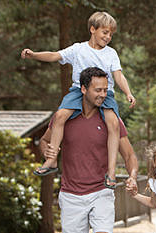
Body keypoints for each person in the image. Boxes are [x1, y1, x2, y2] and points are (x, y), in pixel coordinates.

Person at [38, 67, 138, 233]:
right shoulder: (65, 117)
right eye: (97, 90)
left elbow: (130, 155)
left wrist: (133, 175)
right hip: (71, 192)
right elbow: (43, 141)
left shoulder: (110, 118)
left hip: (101, 189)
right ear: (83, 89)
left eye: (106, 90)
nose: (103, 94)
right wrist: (48, 152)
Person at [22, 11, 136, 189]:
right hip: (78, 91)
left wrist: (128, 92)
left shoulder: (111, 53)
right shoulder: (78, 49)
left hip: (105, 93)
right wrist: (34, 55)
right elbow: (54, 55)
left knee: (113, 125)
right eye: (105, 32)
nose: (108, 37)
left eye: (111, 34)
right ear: (92, 29)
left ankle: (111, 172)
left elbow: (118, 75)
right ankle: (51, 160)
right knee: (60, 116)